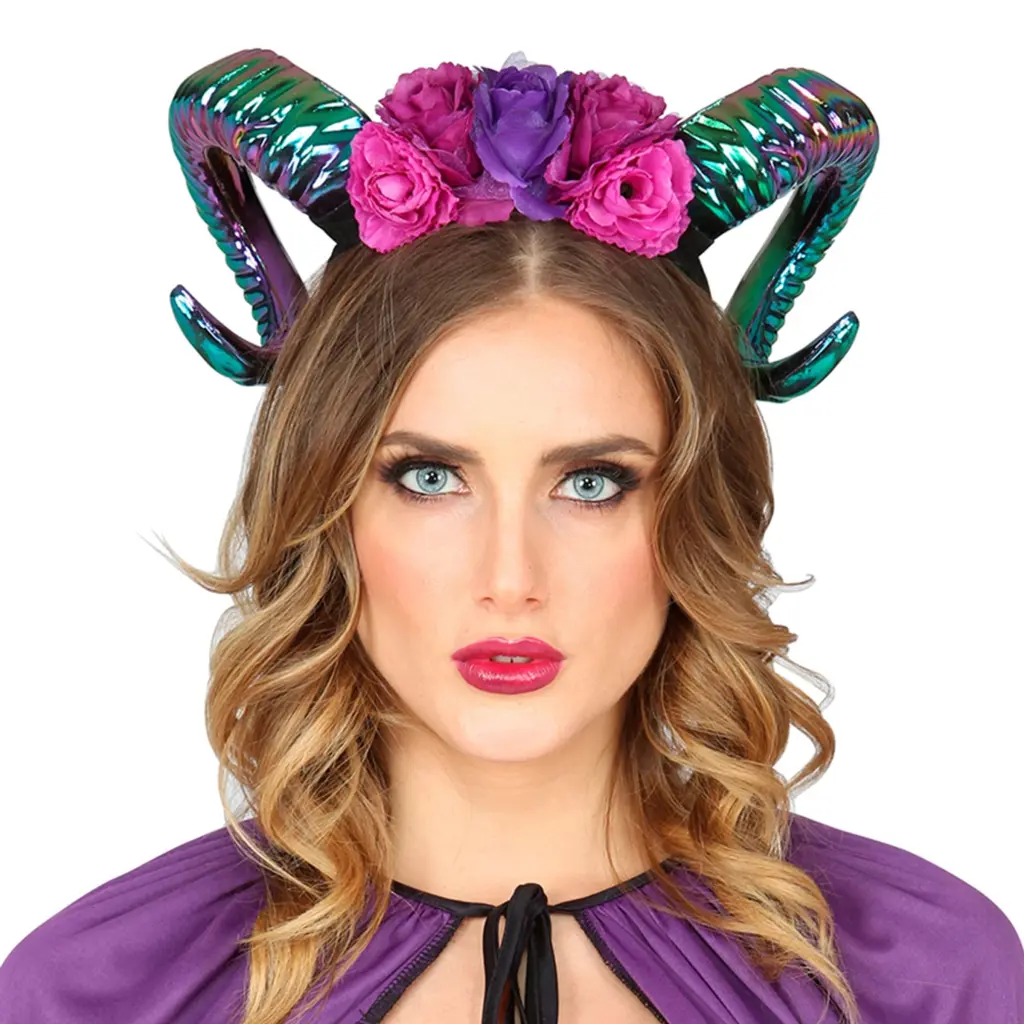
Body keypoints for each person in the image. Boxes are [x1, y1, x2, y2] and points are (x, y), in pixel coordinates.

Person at [1, 47, 1021, 1024]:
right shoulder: (102, 995)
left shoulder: (920, 980)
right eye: (428, 478)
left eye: (591, 483)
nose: (510, 577)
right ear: (326, 505)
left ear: (694, 511)